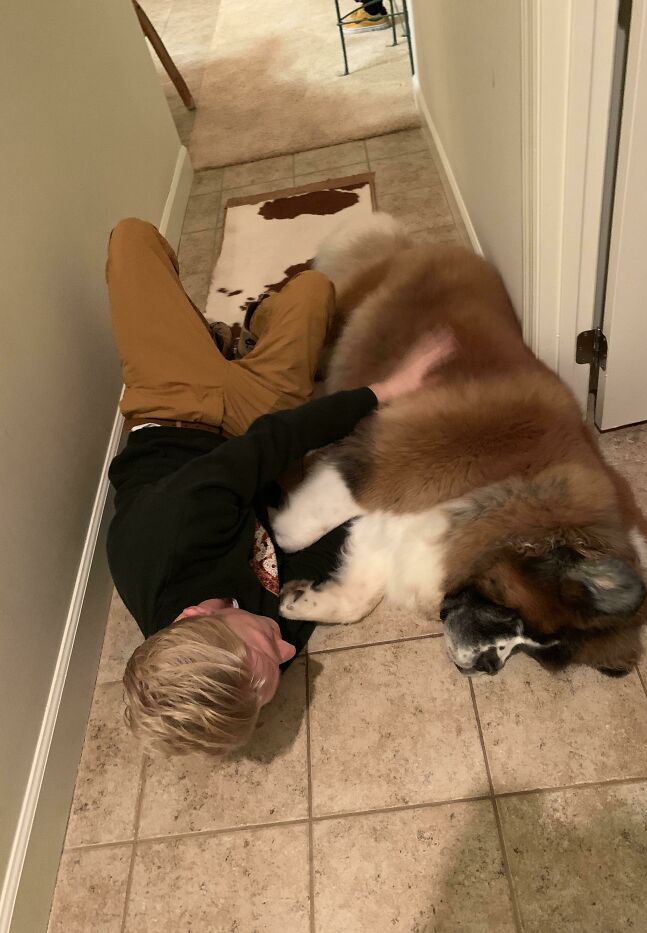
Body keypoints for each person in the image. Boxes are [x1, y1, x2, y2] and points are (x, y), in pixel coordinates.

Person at [105, 218, 455, 757]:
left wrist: (388, 390)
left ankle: (214, 342)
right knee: (316, 292)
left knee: (131, 241)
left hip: (176, 409)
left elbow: (275, 440)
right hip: (251, 427)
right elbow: (316, 562)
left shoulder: (171, 532)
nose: (287, 648)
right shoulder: (243, 654)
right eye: (275, 678)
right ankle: (240, 340)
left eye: (267, 644)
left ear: (199, 615)